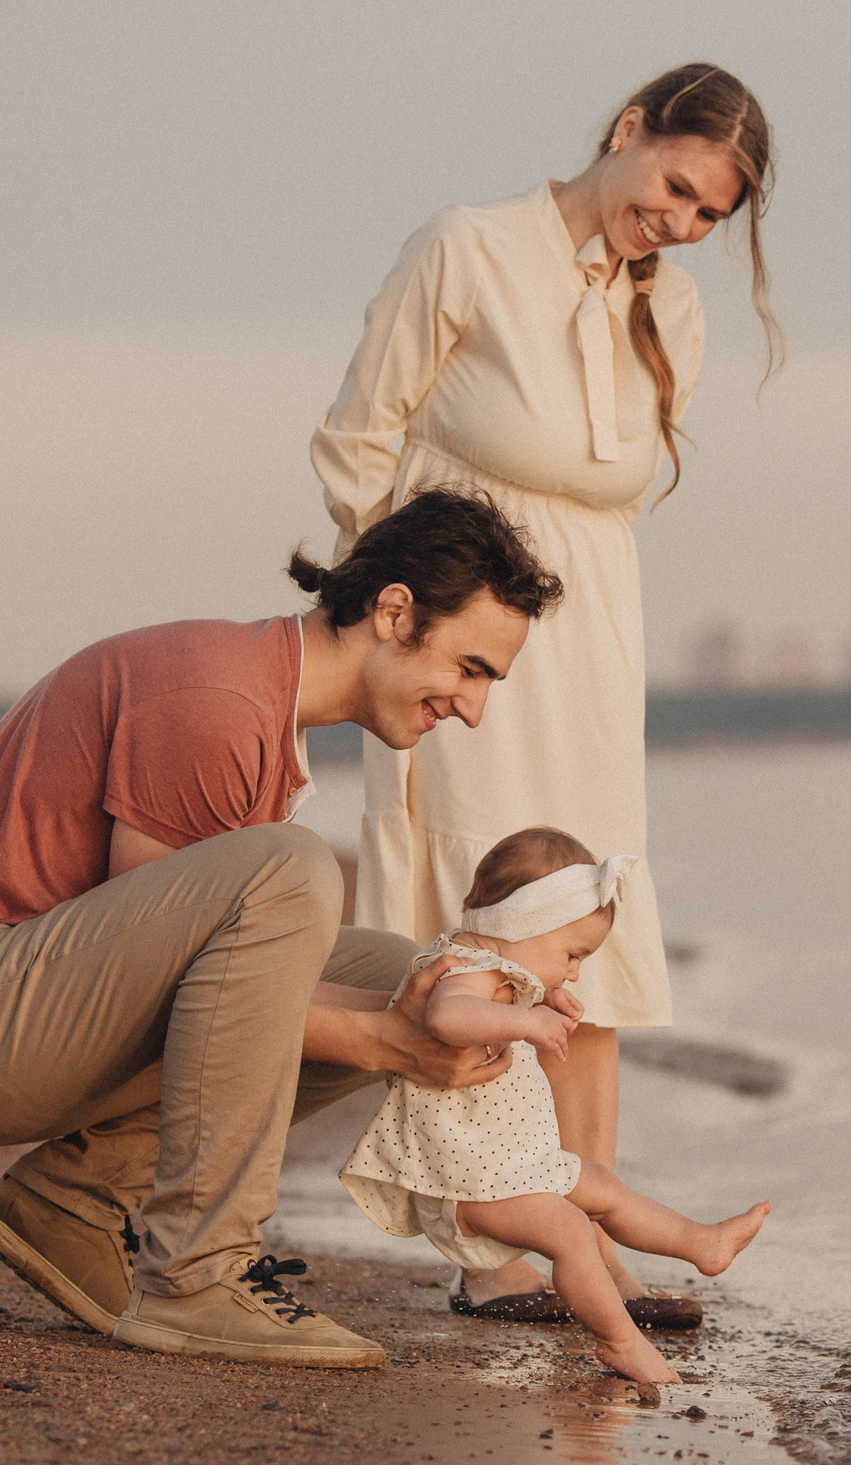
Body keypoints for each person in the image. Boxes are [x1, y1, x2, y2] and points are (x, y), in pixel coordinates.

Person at [0, 490, 561, 1369]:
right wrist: (388, 1045)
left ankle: (78, 1195)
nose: (472, 706)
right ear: (393, 612)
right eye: (470, 666)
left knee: (403, 973)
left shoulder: (260, 697)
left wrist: (413, 1017)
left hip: (8, 1000)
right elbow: (185, 979)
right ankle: (198, 1268)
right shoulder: (218, 703)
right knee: (294, 875)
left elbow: (207, 984)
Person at [311, 63, 779, 1320]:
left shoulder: (667, 310)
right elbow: (358, 440)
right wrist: (395, 623)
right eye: (674, 186)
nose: (678, 224)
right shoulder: (466, 249)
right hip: (462, 631)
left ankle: (590, 1233)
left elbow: (613, 484)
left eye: (706, 217)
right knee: (479, 935)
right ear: (629, 133)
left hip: (592, 636)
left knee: (587, 929)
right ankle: (489, 1251)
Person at [338, 826, 771, 1383]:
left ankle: (701, 1242)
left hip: (509, 1167)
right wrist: (526, 1019)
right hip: (466, 1184)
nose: (574, 970)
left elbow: (503, 993)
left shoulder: (497, 969)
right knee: (570, 1230)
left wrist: (537, 994)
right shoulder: (461, 972)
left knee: (602, 1187)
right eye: (571, 954)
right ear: (525, 926)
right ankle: (621, 1342)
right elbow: (449, 1018)